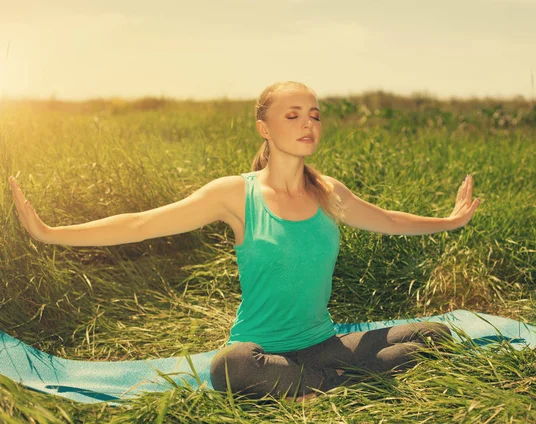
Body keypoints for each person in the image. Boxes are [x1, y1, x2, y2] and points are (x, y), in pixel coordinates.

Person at [8, 80, 480, 403]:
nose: (307, 123)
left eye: (313, 115)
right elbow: (142, 224)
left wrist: (449, 221)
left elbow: (390, 220)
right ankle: (326, 384)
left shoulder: (328, 192)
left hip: (322, 345)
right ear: (264, 127)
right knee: (228, 367)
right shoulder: (236, 194)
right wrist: (50, 233)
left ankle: (321, 384)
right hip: (260, 353)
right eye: (292, 115)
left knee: (434, 334)